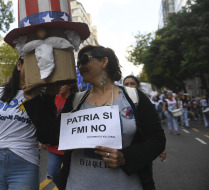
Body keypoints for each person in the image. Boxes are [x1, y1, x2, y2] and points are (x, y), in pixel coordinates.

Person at [23, 45, 166, 190]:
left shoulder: (133, 97)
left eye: (84, 59)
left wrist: (125, 157)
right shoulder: (75, 101)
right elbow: (51, 137)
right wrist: (37, 99)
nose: (80, 66)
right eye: (78, 63)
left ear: (104, 62)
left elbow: (157, 140)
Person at [0, 57, 40, 190]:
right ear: (19, 64)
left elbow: (47, 136)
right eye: (34, 64)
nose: (37, 69)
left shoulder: (40, 96)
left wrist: (37, 99)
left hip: (24, 164)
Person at [42, 83, 78, 188]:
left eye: (62, 84)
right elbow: (47, 120)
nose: (59, 87)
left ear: (70, 85)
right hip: (54, 144)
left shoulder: (76, 99)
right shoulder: (54, 98)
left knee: (70, 173)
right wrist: (44, 139)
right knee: (52, 171)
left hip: (70, 145)